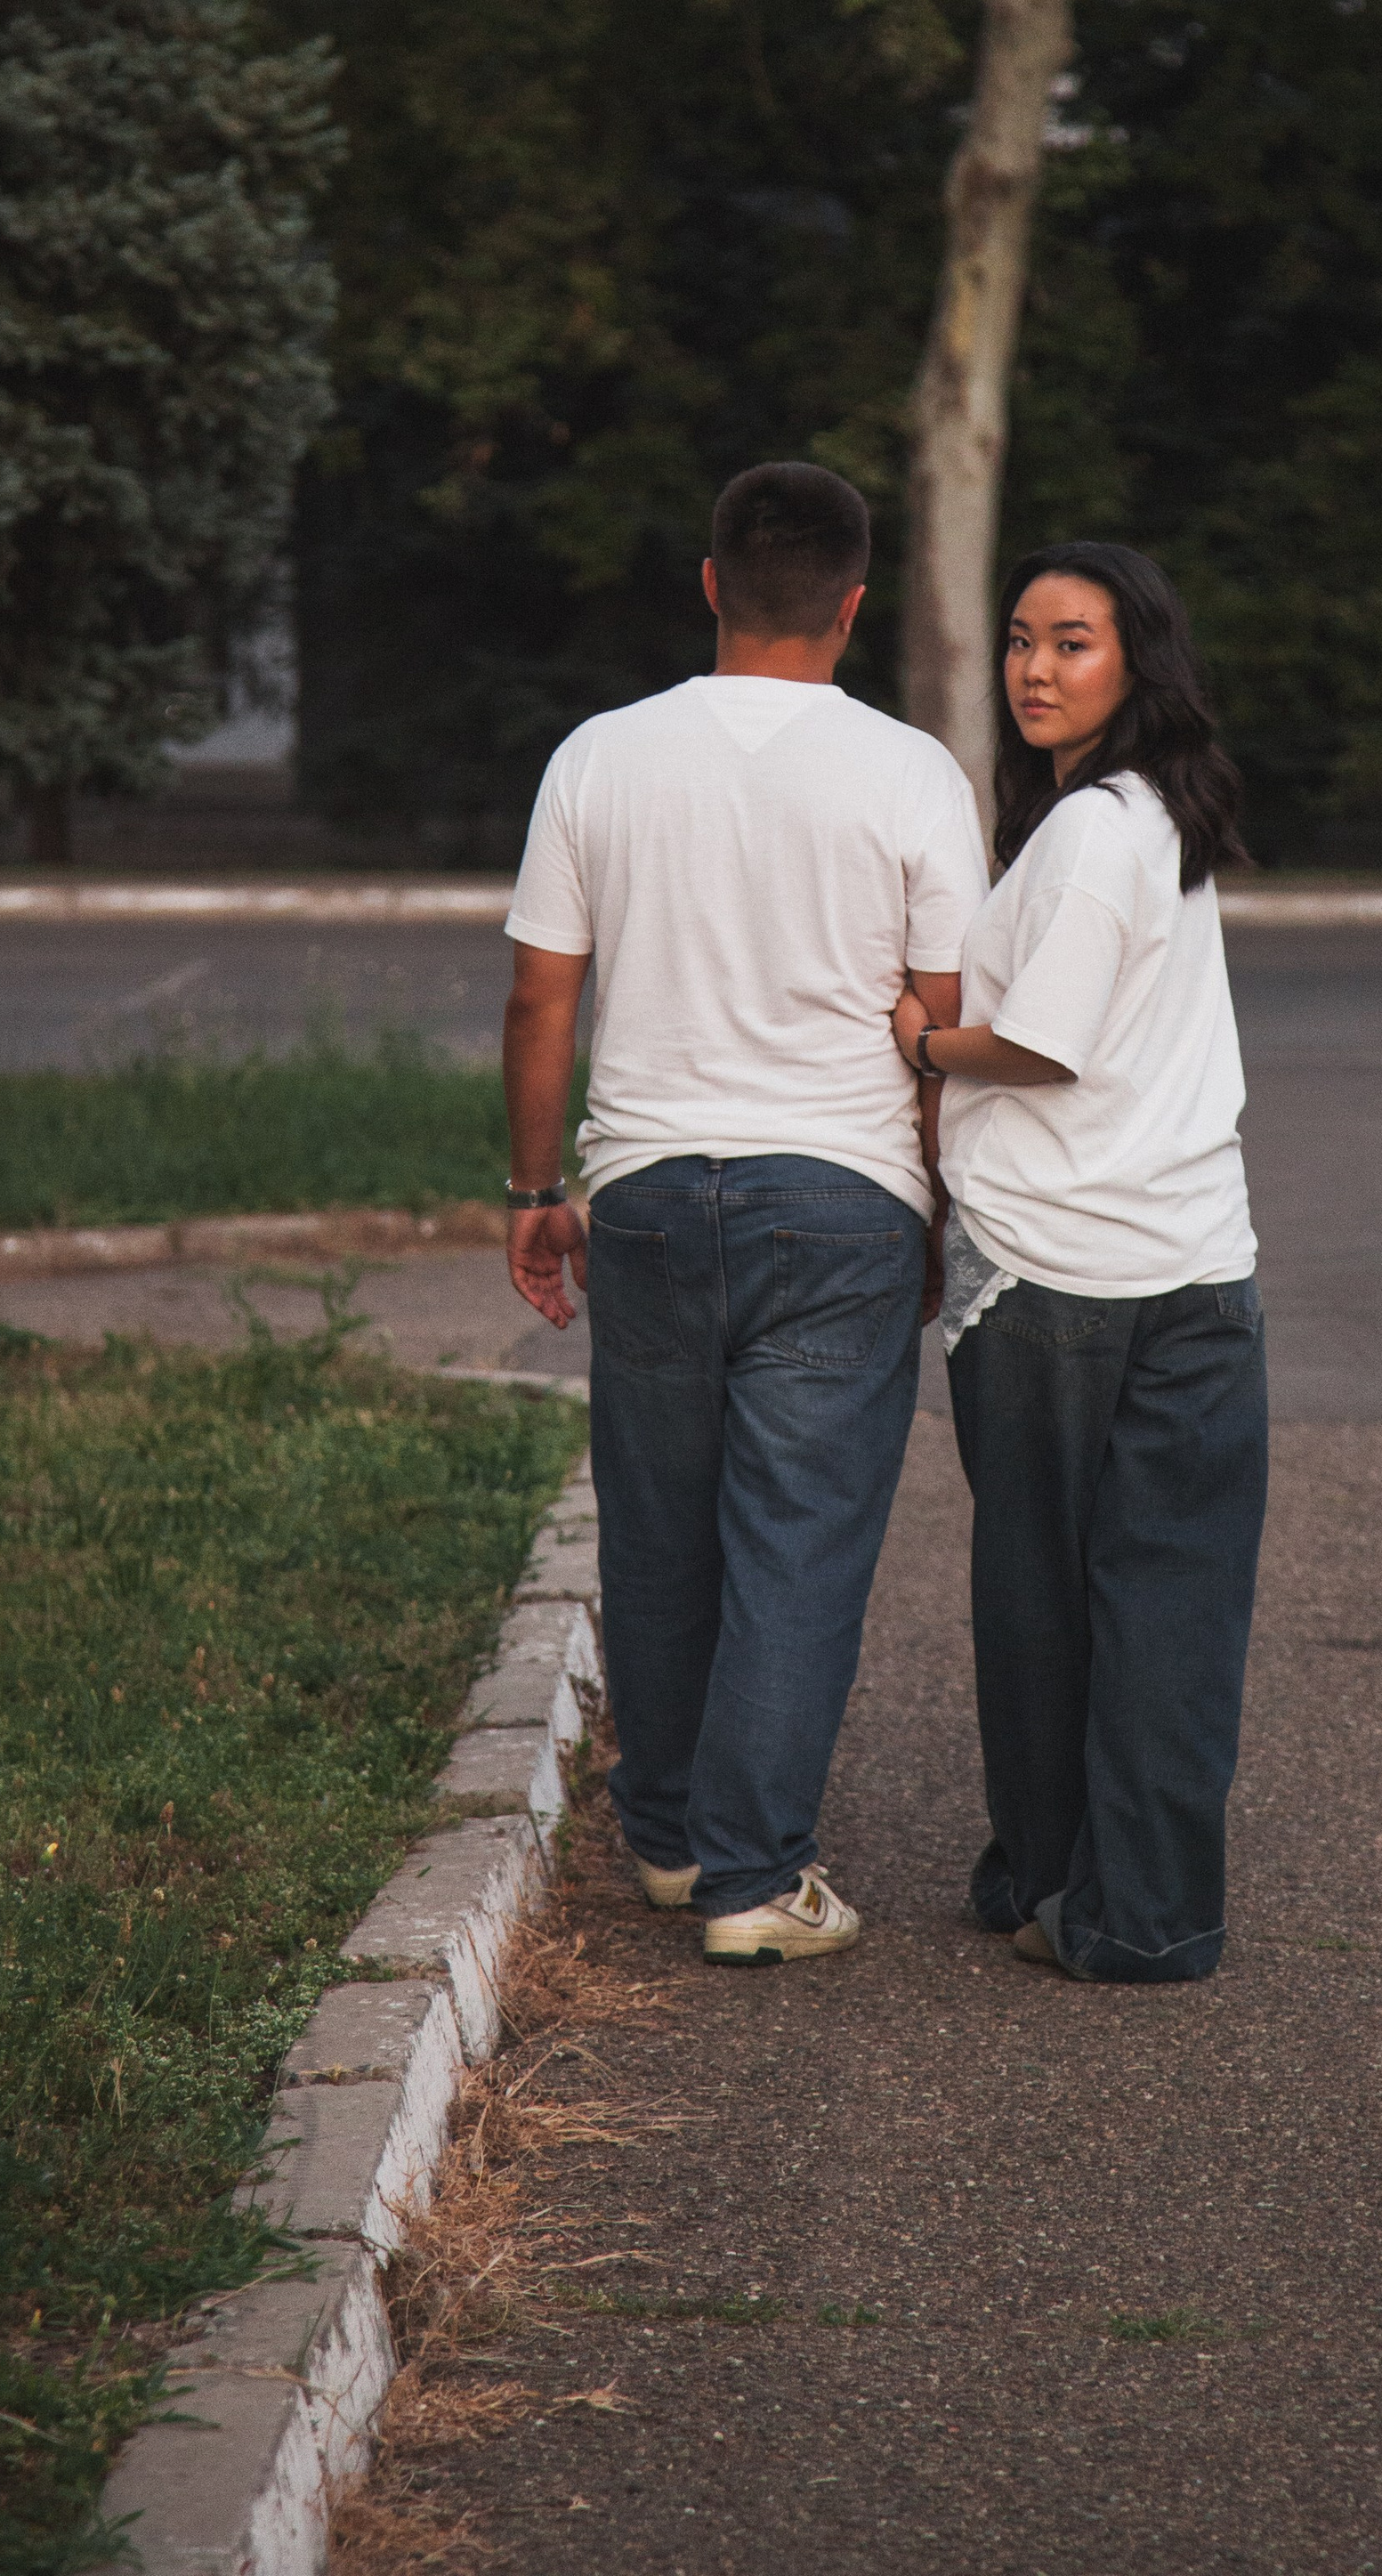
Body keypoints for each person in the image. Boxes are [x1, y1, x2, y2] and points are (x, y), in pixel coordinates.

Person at [503, 464, 988, 1966]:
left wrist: (535, 1190)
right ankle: (755, 1881)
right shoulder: (911, 771)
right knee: (799, 1539)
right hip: (841, 1198)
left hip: (643, 1191)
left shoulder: (600, 755)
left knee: (658, 1527)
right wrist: (930, 1211)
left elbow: (540, 995)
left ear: (710, 585)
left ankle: (664, 1841)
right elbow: (948, 1015)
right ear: (856, 606)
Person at [893, 540, 1268, 1986]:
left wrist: (923, 1044)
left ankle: (1087, 1895)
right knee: (1173, 1604)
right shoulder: (1154, 815)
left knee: (1046, 1598)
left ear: (1138, 662)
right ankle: (1104, 1894)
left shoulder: (1096, 834)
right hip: (1196, 1266)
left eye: (1074, 643)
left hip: (1055, 1279)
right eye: (1021, 641)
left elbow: (1040, 1043)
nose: (1036, 669)